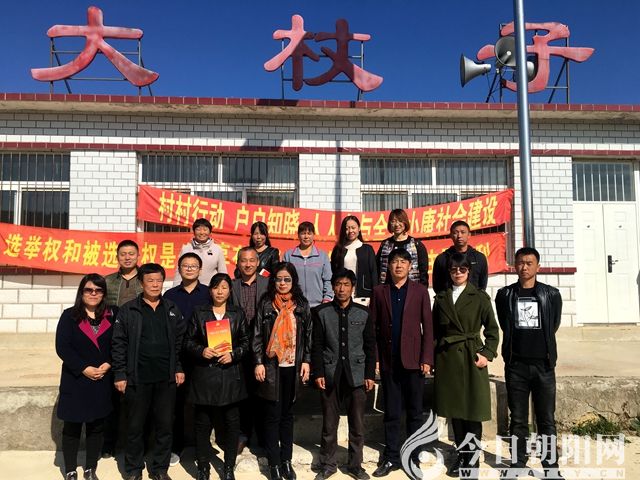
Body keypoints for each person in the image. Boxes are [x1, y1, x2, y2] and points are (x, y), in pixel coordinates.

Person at [112, 263, 186, 480]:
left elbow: (180, 342)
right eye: (150, 280)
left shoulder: (171, 309)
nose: (155, 285)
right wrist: (120, 373)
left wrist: (179, 368)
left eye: (158, 280)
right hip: (137, 378)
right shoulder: (129, 310)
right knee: (135, 427)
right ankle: (133, 469)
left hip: (165, 378)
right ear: (141, 283)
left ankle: (160, 469)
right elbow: (118, 343)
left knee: (164, 426)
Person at [495, 247, 563, 480]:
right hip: (516, 366)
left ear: (538, 266)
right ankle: (517, 462)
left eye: (529, 263)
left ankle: (550, 467)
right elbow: (505, 324)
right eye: (520, 263)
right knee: (518, 419)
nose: (524, 267)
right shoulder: (505, 295)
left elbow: (553, 324)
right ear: (515, 265)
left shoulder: (551, 294)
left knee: (546, 419)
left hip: (544, 365)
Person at [432, 253, 499, 478]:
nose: (458, 273)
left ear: (469, 271)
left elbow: (492, 330)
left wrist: (486, 354)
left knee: (472, 412)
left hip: (472, 357)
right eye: (453, 270)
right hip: (448, 359)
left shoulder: (479, 297)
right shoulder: (441, 298)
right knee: (455, 413)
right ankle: (461, 455)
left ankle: (472, 460)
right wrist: (434, 357)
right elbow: (434, 332)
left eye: (462, 269)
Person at [369, 249, 433, 477]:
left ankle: (413, 457)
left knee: (415, 412)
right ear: (388, 266)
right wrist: (376, 358)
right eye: (394, 261)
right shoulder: (379, 291)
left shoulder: (420, 291)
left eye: (403, 262)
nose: (398, 265)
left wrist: (427, 358)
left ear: (409, 266)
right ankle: (391, 457)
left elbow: (428, 327)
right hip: (389, 361)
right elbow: (373, 329)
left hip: (414, 361)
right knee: (392, 412)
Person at [311, 268, 376, 480]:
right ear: (332, 287)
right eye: (338, 284)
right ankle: (327, 465)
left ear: (353, 288)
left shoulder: (363, 313)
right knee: (329, 424)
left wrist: (369, 374)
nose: (341, 289)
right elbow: (317, 345)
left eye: (346, 285)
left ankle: (355, 466)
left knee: (357, 425)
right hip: (330, 375)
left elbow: (370, 345)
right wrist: (319, 372)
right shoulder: (321, 312)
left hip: (357, 375)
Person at [185, 273, 250, 480]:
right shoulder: (200, 312)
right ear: (210, 290)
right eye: (215, 287)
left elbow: (246, 342)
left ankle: (229, 467)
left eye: (224, 287)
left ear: (230, 291)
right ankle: (203, 468)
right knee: (202, 425)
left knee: (232, 424)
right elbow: (188, 341)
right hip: (205, 376)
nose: (220, 291)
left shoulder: (237, 313)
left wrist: (234, 354)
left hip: (230, 376)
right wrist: (201, 350)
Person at [252, 262, 312, 480]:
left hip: (293, 368)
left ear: (293, 281)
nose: (283, 283)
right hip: (271, 368)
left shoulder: (301, 305)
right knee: (272, 417)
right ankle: (274, 464)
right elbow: (257, 335)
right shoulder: (266, 304)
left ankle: (287, 461)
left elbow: (309, 335)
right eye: (279, 279)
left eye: (287, 279)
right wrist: (258, 362)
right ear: (273, 281)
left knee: (287, 416)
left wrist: (306, 361)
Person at [56, 274, 116, 480]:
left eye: (98, 290)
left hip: (101, 379)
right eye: (89, 290)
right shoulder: (69, 316)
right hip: (76, 380)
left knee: (96, 427)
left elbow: (118, 343)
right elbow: (62, 347)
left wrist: (109, 363)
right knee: (72, 427)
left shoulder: (111, 315)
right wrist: (83, 368)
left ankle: (90, 468)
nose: (93, 294)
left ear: (104, 294)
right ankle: (71, 469)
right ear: (81, 292)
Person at [164, 252, 212, 467]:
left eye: (194, 266)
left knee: (204, 404)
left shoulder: (208, 293)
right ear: (179, 269)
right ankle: (176, 446)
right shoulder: (170, 295)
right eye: (185, 265)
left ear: (200, 270)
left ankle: (204, 447)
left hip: (204, 356)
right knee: (176, 405)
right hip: (178, 356)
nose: (190, 269)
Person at [102, 239, 143, 459]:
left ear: (138, 256)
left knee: (137, 398)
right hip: (112, 343)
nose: (127, 257)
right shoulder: (108, 281)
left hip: (139, 344)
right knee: (111, 397)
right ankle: (109, 443)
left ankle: (137, 444)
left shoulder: (145, 280)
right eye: (123, 254)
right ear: (117, 257)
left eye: (131, 254)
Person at [231, 246, 269, 452]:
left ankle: (262, 435)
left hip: (263, 344)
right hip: (238, 345)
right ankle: (243, 434)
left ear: (258, 262)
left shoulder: (268, 284)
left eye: (251, 260)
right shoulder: (231, 285)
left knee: (262, 391)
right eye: (243, 260)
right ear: (238, 263)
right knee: (242, 392)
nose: (247, 264)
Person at [329, 215, 378, 306]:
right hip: (342, 295)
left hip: (363, 297)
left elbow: (374, 274)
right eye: (347, 228)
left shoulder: (367, 249)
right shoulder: (338, 250)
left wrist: (375, 296)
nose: (350, 231)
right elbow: (333, 272)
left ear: (359, 229)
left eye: (353, 227)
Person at [283, 221, 333, 307]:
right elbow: (284, 279)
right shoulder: (288, 255)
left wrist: (327, 298)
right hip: (294, 305)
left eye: (309, 233)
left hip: (318, 305)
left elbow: (328, 280)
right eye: (303, 233)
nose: (306, 237)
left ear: (314, 235)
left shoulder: (322, 256)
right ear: (298, 235)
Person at [431, 220, 489, 294]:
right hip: (449, 299)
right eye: (455, 233)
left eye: (463, 232)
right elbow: (437, 285)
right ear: (451, 235)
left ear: (469, 235)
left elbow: (482, 284)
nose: (459, 236)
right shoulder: (442, 258)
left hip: (473, 299)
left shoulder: (479, 258)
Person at [376, 209, 428, 287]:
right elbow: (378, 268)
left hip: (411, 289)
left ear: (405, 222)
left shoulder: (416, 244)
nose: (397, 224)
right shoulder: (385, 244)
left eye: (400, 221)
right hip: (388, 289)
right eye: (393, 221)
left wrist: (422, 290)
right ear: (390, 223)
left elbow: (423, 271)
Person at [173, 218, 227, 287]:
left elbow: (222, 272)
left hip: (210, 288)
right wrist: (175, 288)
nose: (202, 233)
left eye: (205, 230)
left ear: (210, 232)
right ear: (193, 231)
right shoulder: (186, 249)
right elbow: (179, 271)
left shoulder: (217, 249)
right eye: (198, 229)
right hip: (189, 288)